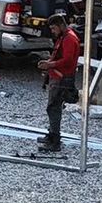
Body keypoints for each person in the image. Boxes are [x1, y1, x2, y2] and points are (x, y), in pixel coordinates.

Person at [35, 14, 80, 153]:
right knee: (53, 107)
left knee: (54, 108)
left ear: (61, 25)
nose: (53, 32)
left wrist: (50, 64)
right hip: (59, 77)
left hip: (62, 79)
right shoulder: (65, 37)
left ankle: (55, 141)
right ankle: (52, 135)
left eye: (54, 28)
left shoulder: (69, 39)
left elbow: (67, 60)